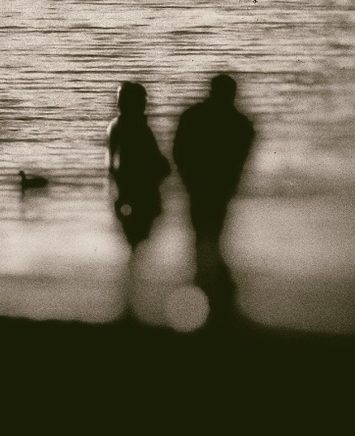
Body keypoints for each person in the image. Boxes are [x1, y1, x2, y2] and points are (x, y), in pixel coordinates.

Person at [173, 73, 254, 324]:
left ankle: (207, 293)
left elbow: (179, 150)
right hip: (214, 188)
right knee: (211, 236)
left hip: (201, 186)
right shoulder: (240, 122)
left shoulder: (194, 116)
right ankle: (215, 298)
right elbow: (242, 155)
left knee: (203, 236)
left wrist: (187, 178)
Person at [106, 81, 171, 316]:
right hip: (136, 191)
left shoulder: (125, 126)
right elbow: (115, 164)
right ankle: (133, 293)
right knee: (137, 238)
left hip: (134, 191)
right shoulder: (130, 127)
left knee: (137, 240)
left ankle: (132, 291)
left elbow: (113, 165)